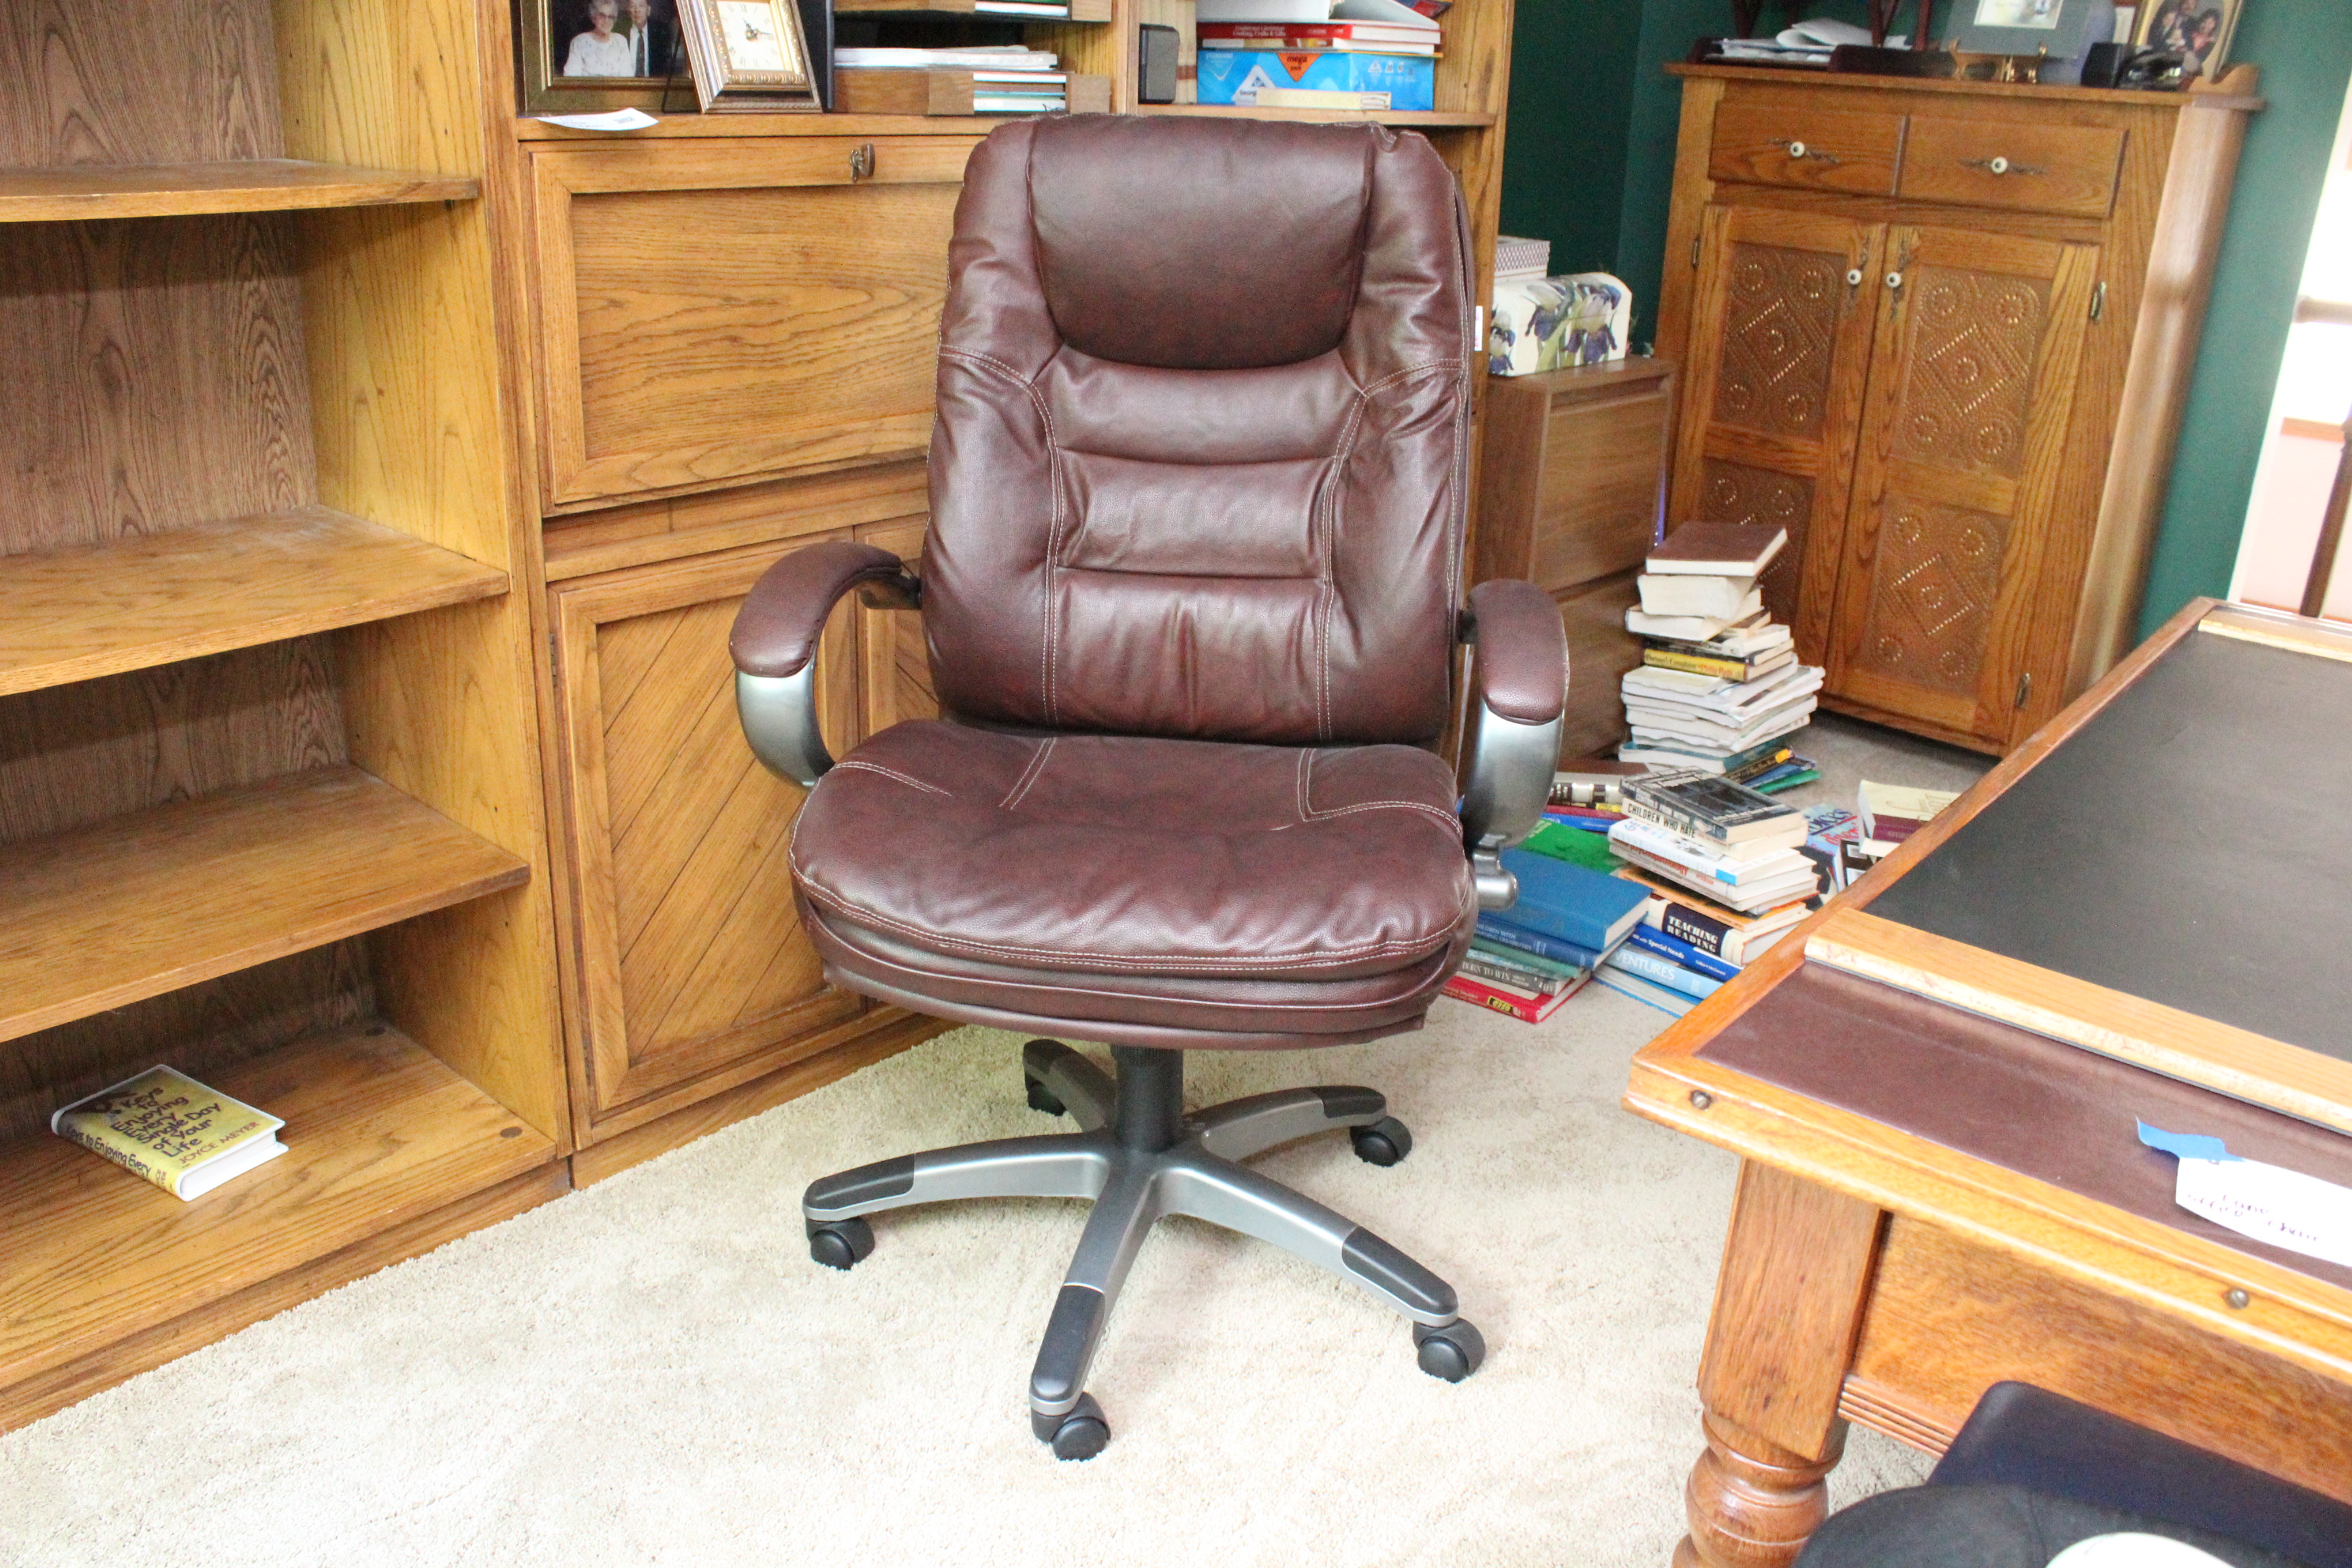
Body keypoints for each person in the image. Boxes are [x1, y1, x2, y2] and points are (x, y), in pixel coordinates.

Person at [563, 0, 633, 76]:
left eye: (610, 17)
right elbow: (571, 77)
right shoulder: (579, 42)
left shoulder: (620, 41)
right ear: (594, 18)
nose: (606, 21)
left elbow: (627, 76)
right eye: (602, 16)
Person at [2180, 6, 2223, 76]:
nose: (2206, 25)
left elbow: (2201, 63)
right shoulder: (2189, 32)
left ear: (2214, 26)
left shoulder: (2211, 44)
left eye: (2210, 23)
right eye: (2205, 22)